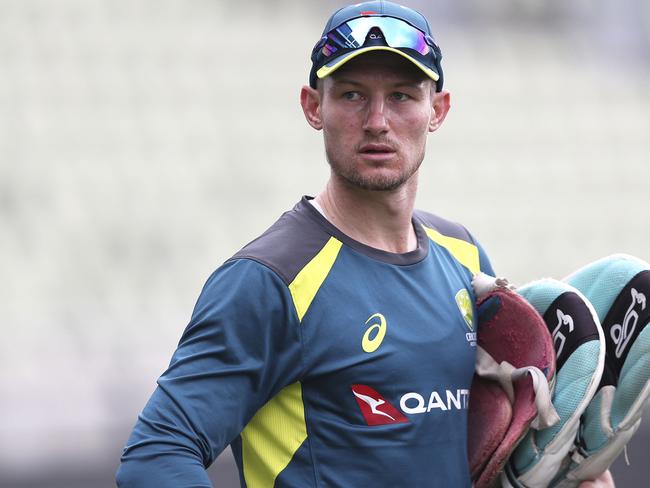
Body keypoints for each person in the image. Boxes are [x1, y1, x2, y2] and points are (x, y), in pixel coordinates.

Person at [116, 2, 614, 487]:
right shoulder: (270, 279)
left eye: (401, 96)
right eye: (353, 95)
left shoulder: (464, 257)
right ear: (314, 107)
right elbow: (156, 456)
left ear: (437, 110)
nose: (378, 120)